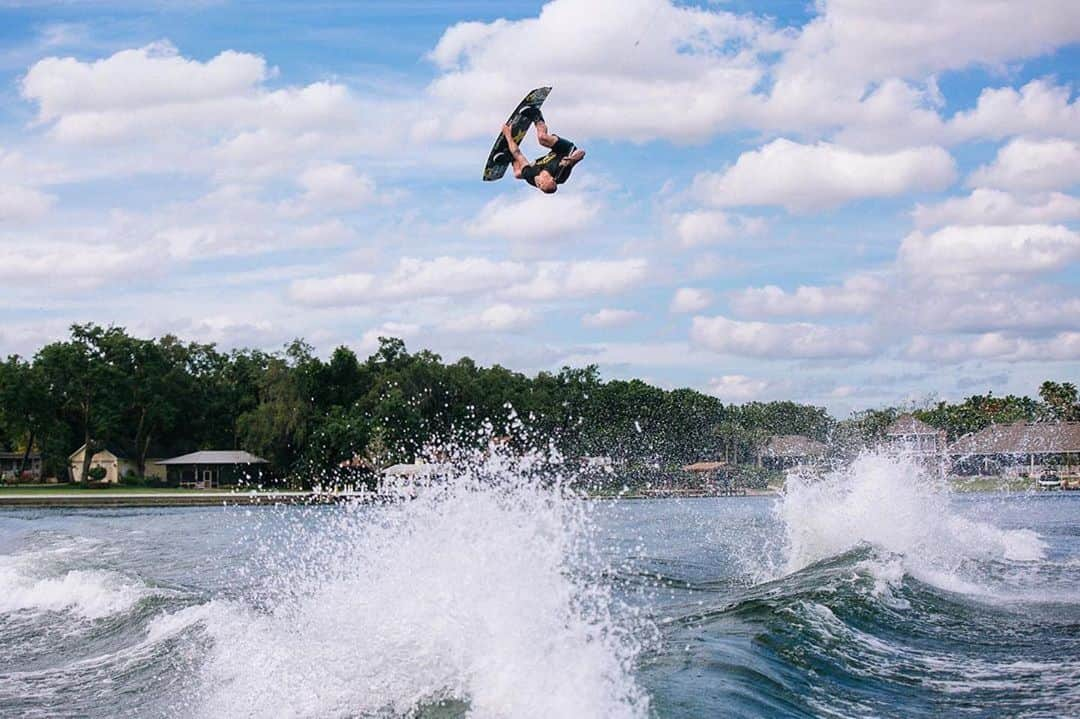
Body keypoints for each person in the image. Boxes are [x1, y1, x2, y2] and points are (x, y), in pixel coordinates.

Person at [500, 107, 586, 193]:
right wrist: (571, 159)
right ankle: (537, 116)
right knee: (542, 138)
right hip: (564, 149)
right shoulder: (561, 173)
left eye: (538, 184)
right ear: (552, 178)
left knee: (518, 173)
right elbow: (581, 153)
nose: (537, 182)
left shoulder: (531, 177)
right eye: (541, 182)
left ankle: (509, 155)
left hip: (543, 162)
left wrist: (507, 135)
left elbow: (518, 154)